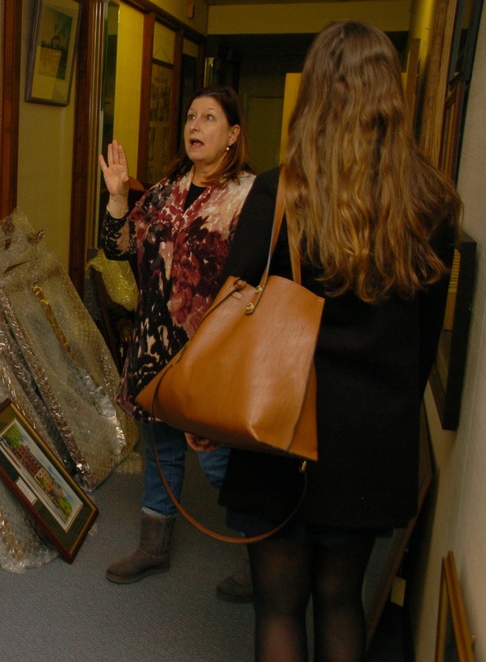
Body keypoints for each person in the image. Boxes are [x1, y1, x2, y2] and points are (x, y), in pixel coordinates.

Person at [215, 21, 461, 661]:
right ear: (392, 95)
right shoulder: (430, 202)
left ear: (315, 95)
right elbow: (422, 343)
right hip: (371, 440)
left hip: (281, 427)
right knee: (342, 600)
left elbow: (233, 303)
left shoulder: (279, 192)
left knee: (278, 607)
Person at [98, 86, 256, 600]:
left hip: (211, 352)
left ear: (233, 134)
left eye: (209, 118)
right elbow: (117, 247)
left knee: (218, 458)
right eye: (191, 116)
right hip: (154, 346)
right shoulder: (166, 190)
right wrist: (119, 197)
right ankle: (154, 544)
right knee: (161, 447)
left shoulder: (249, 196)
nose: (195, 125)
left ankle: (263, 556)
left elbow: (261, 279)